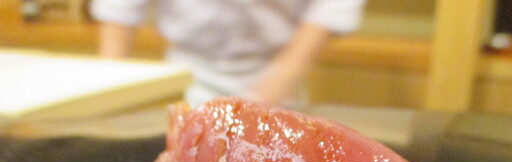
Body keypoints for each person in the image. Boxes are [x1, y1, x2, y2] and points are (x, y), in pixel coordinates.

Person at [90, 0, 365, 107]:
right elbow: (118, 7)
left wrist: (286, 73)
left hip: (274, 69)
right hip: (186, 71)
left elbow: (333, 7)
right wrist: (110, 84)